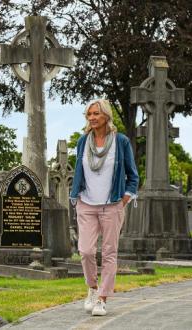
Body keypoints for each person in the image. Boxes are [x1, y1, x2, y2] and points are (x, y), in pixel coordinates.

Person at [70, 99, 139, 316]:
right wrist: (77, 197)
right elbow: (80, 171)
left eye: (96, 114)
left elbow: (132, 175)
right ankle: (91, 287)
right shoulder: (83, 141)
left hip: (112, 205)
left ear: (106, 116)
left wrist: (124, 199)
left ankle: (102, 299)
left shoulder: (121, 141)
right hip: (86, 204)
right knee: (86, 251)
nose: (92, 117)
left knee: (109, 253)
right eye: (89, 114)